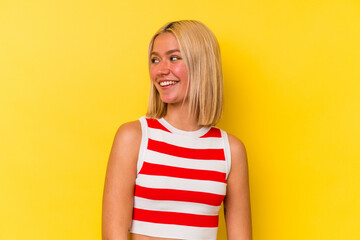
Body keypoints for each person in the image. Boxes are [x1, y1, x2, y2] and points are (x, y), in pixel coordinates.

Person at [102, 20, 252, 240]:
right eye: (155, 60)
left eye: (174, 58)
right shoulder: (134, 138)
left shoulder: (230, 151)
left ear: (201, 64)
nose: (161, 70)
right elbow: (113, 235)